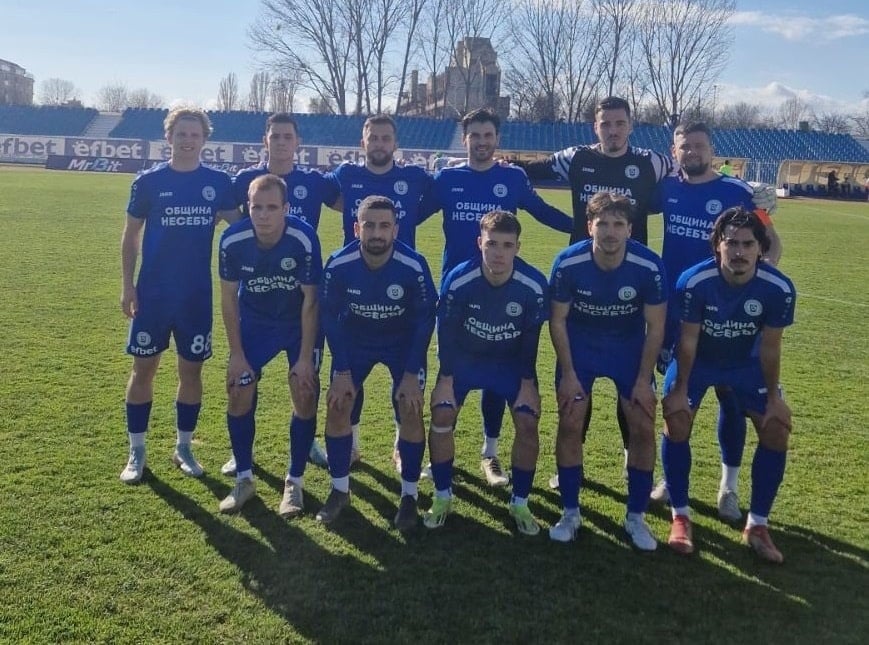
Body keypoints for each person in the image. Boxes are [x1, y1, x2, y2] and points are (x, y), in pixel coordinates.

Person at [519, 96, 672, 485]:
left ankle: (631, 453)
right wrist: (498, 166)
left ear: (631, 125)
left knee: (631, 381)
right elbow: (530, 169)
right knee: (577, 382)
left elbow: (692, 173)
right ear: (596, 127)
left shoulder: (652, 162)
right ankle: (574, 456)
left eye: (620, 123)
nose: (613, 131)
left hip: (631, 280)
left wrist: (748, 187)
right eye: (606, 124)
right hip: (582, 275)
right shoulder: (577, 158)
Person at [419, 107, 573, 487]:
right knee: (450, 376)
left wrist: (586, 232)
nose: (482, 142)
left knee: (494, 378)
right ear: (465, 139)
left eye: (488, 135)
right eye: (475, 135)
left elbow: (542, 212)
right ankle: (441, 455)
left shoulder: (513, 178)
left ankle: (490, 454)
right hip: (457, 297)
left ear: (497, 139)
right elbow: (413, 216)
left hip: (503, 294)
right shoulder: (447, 179)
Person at [650, 122, 783, 521]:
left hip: (730, 316)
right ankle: (671, 481)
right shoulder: (666, 188)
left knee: (733, 399)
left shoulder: (738, 192)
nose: (692, 152)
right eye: (685, 147)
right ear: (674, 152)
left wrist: (753, 285)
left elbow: (772, 244)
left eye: (699, 146)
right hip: (679, 312)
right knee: (677, 401)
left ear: (712, 150)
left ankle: (729, 487)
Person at [661, 207, 796, 563]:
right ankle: (680, 515)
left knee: (776, 428)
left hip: (746, 364)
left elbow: (770, 348)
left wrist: (774, 398)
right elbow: (688, 341)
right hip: (699, 361)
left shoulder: (778, 288)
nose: (739, 251)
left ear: (760, 248)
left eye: (747, 244)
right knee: (676, 419)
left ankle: (757, 524)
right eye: (731, 243)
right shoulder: (694, 281)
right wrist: (680, 391)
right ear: (717, 246)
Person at [119, 106, 237, 484]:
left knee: (192, 371)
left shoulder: (218, 182)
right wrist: (127, 285)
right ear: (168, 137)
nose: (188, 140)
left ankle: (183, 447)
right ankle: (137, 451)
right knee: (143, 370)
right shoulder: (148, 182)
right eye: (181, 134)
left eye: (194, 134)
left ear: (204, 140)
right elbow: (131, 236)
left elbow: (241, 225)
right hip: (152, 295)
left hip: (195, 296)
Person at [221, 113, 340, 476]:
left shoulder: (313, 182)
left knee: (304, 385)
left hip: (300, 299)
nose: (282, 142)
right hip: (257, 301)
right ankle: (241, 456)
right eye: (275, 136)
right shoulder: (245, 180)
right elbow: (225, 212)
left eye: (288, 136)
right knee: (242, 383)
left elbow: (348, 203)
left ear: (297, 141)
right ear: (265, 140)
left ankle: (306, 445)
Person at [547, 192, 666, 548]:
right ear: (590, 227)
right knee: (570, 421)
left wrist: (643, 380)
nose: (610, 232)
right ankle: (570, 512)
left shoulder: (649, 265)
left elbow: (656, 327)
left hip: (627, 350)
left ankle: (636, 517)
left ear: (630, 229)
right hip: (580, 349)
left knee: (642, 423)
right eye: (603, 224)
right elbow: (558, 320)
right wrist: (569, 374)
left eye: (618, 224)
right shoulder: (568, 262)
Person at [424, 211, 548, 535]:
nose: (498, 253)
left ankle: (520, 502)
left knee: (528, 420)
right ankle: (442, 496)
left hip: (509, 364)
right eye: (492, 244)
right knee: (441, 413)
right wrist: (446, 378)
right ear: (480, 243)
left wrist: (527, 383)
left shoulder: (533, 285)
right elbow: (446, 331)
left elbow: (531, 338)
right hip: (465, 362)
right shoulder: (459, 279)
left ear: (518, 247)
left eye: (507, 245)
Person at [317, 195, 437, 530]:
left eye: (384, 226)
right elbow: (329, 317)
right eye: (369, 225)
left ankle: (409, 495)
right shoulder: (339, 263)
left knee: (410, 407)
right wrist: (342, 370)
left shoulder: (414, 265)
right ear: (357, 228)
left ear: (395, 230)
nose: (377, 233)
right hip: (355, 342)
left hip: (402, 344)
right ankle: (339, 490)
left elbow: (425, 321)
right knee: (338, 404)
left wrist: (411, 373)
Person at [328, 114, 435, 465]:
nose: (379, 144)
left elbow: (444, 190)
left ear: (395, 143)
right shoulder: (346, 175)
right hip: (356, 288)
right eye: (373, 137)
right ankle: (352, 444)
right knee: (350, 383)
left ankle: (401, 445)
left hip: (401, 292)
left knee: (404, 386)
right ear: (363, 143)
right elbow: (316, 190)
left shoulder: (414, 177)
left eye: (385, 138)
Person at [216, 174, 323, 515]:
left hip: (297, 324)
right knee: (239, 390)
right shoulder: (232, 240)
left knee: (304, 393)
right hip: (255, 324)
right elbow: (228, 299)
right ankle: (244, 480)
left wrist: (304, 358)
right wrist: (236, 355)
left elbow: (311, 302)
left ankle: (294, 482)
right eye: (256, 207)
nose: (263, 215)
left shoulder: (303, 238)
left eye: (272, 207)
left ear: (286, 209)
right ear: (247, 207)